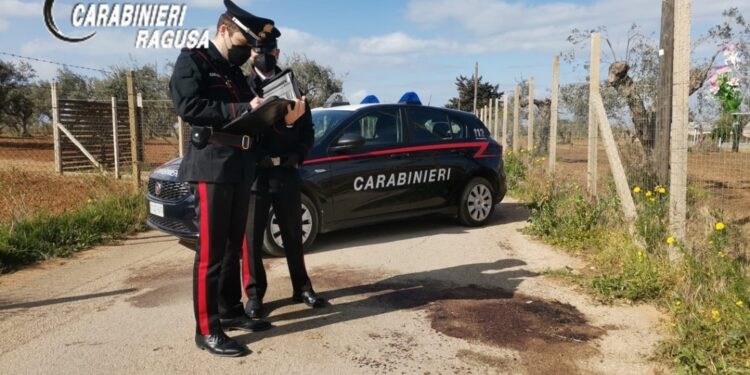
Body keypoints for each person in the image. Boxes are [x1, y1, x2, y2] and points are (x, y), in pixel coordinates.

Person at [169, 0, 306, 357]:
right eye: (243, 45)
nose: (247, 54)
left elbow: (257, 113)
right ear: (224, 30)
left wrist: (284, 117)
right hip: (211, 165)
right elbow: (189, 107)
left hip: (240, 165)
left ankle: (229, 310)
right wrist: (242, 109)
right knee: (211, 253)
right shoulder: (194, 60)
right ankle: (206, 328)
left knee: (234, 247)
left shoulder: (234, 74)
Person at [242, 35, 326, 319]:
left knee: (293, 235)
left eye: (268, 50)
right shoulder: (243, 87)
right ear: (251, 53)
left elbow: (308, 131)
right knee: (252, 240)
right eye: (258, 50)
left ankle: (302, 287)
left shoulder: (294, 87)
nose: (264, 54)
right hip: (255, 174)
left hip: (287, 172)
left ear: (277, 52)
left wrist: (299, 155)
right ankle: (254, 296)